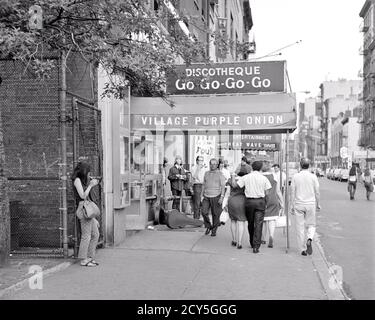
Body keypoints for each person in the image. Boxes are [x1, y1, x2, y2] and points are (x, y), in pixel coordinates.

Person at [232, 160, 272, 253]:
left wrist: (233, 175)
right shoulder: (264, 178)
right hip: (260, 202)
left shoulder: (246, 177)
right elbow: (267, 193)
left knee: (250, 223)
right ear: (261, 168)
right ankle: (256, 246)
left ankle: (251, 242)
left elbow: (235, 185)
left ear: (252, 167)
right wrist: (266, 202)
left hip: (249, 202)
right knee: (258, 224)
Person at [290, 158, 321, 256]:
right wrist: (318, 204)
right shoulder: (313, 177)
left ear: (300, 165)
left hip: (299, 204)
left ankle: (302, 249)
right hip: (310, 204)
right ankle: (310, 239)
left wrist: (292, 204)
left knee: (300, 227)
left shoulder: (295, 176)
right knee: (311, 225)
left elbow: (292, 192)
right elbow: (317, 191)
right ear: (309, 166)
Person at [72, 162, 100, 267]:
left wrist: (94, 219)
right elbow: (83, 195)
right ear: (84, 172)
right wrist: (91, 185)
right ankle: (84, 260)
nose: (89, 174)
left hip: (88, 210)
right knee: (86, 236)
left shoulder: (83, 181)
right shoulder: (77, 180)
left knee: (95, 234)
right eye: (88, 172)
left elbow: (87, 198)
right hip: (83, 209)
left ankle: (90, 258)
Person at [201, 158, 226, 237]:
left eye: (215, 164)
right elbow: (203, 185)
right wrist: (201, 195)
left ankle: (214, 230)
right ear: (209, 164)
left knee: (215, 214)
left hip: (216, 196)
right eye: (211, 164)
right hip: (206, 196)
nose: (213, 165)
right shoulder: (206, 173)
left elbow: (223, 186)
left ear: (217, 165)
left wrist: (222, 197)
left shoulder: (220, 174)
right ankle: (208, 226)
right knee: (204, 212)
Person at [261, 161, 284, 248]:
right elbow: (278, 191)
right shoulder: (274, 176)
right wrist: (282, 202)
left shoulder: (260, 176)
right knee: (272, 220)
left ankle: (263, 238)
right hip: (273, 200)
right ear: (269, 168)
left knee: (263, 220)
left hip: (263, 200)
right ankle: (271, 236)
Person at [226, 170, 247, 249]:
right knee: (241, 222)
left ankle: (234, 240)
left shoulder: (230, 180)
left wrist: (225, 203)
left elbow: (227, 193)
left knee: (233, 221)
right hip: (242, 201)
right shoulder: (245, 180)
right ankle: (240, 242)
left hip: (232, 201)